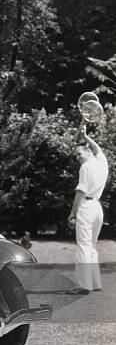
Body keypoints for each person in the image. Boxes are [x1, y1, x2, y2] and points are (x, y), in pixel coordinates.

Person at [68, 121, 109, 292]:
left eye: (78, 154)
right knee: (91, 246)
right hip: (97, 209)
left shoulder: (86, 167)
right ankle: (95, 283)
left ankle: (84, 285)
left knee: (84, 246)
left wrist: (72, 214)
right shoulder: (101, 162)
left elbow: (80, 192)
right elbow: (98, 148)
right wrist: (86, 137)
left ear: (87, 151)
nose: (77, 158)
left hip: (86, 207)